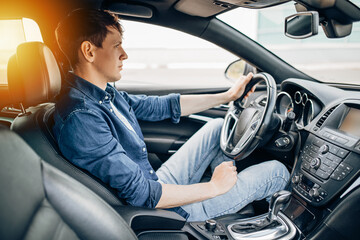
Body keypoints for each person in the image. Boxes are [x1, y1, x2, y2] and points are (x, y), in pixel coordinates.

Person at [53, 8, 290, 221]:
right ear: (89, 51)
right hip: (161, 211)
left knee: (217, 127)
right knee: (276, 172)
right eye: (116, 46)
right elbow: (142, 195)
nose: (124, 54)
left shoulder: (103, 95)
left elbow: (161, 106)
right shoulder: (82, 118)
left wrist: (226, 97)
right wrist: (214, 187)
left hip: (155, 182)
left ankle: (231, 199)